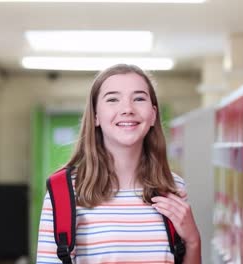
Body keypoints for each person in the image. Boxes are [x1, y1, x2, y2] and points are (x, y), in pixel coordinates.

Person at [36, 64, 201, 263]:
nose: (127, 109)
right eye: (113, 99)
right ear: (96, 116)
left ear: (153, 115)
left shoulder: (173, 187)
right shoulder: (64, 193)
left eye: (139, 98)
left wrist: (193, 241)